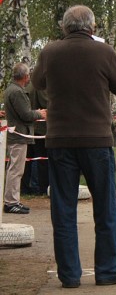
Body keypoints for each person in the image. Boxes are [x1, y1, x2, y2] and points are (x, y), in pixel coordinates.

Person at [31, 5, 116, 288]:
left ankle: (69, 275)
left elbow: (37, 82)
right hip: (96, 141)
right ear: (92, 27)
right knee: (105, 208)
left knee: (63, 209)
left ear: (65, 27)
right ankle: (108, 271)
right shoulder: (104, 52)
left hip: (60, 140)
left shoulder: (50, 51)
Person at [3, 63, 46, 214]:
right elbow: (26, 114)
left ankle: (13, 200)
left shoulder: (12, 90)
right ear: (26, 76)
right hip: (18, 135)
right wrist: (39, 113)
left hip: (17, 134)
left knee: (16, 169)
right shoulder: (17, 92)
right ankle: (11, 202)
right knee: (16, 170)